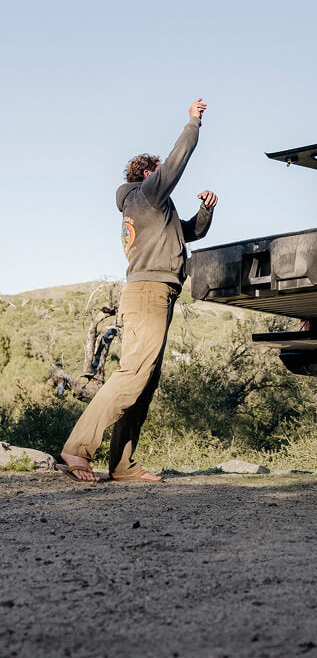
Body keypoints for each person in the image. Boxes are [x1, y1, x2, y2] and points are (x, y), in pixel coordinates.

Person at [58, 98, 218, 484]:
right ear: (148, 173)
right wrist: (193, 123)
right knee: (133, 373)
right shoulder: (146, 194)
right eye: (158, 171)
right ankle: (77, 448)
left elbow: (190, 233)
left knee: (144, 380)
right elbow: (178, 159)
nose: (164, 175)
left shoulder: (152, 208)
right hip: (149, 293)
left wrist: (207, 210)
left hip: (156, 294)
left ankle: (122, 465)